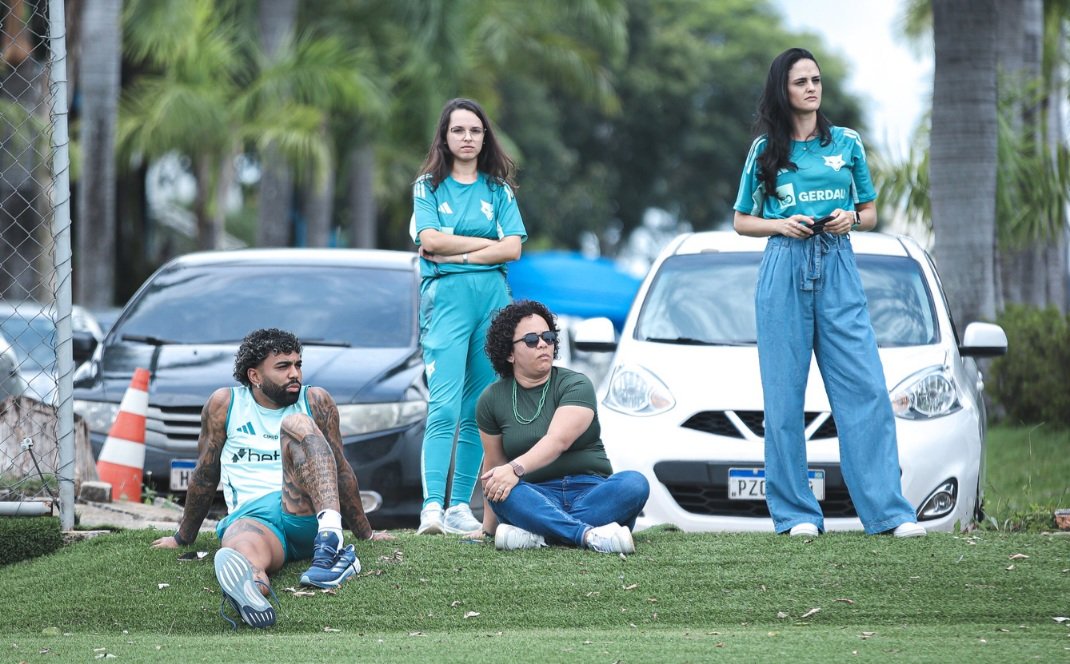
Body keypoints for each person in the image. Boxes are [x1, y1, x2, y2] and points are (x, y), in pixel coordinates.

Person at [732, 47, 925, 538]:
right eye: (801, 82)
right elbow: (741, 221)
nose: (812, 88)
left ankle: (888, 513)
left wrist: (851, 219)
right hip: (784, 266)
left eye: (816, 80)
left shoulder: (847, 142)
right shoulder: (765, 151)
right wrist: (780, 224)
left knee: (866, 391)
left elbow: (871, 213)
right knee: (783, 399)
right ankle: (796, 515)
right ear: (783, 90)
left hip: (838, 263)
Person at [151, 328, 392, 629]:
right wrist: (182, 537)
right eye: (283, 366)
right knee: (242, 554)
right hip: (253, 520)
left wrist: (366, 533)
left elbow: (339, 468)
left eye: (298, 365)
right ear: (254, 376)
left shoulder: (315, 400)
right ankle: (253, 591)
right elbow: (206, 472)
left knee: (296, 423)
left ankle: (330, 540)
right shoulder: (225, 404)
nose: (295, 374)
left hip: (303, 513)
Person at [409, 98, 527, 535]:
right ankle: (431, 509)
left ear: (485, 137)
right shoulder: (428, 186)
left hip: (492, 302)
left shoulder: (498, 190)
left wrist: (457, 250)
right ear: (445, 137)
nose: (467, 138)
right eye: (458, 130)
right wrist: (486, 246)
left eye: (475, 130)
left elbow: (513, 247)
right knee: (442, 404)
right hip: (446, 302)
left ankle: (460, 505)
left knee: (478, 408)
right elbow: (429, 241)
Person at [475, 300, 649, 553]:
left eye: (548, 337)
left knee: (634, 483)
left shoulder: (576, 384)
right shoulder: (491, 399)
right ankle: (590, 535)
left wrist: (514, 469)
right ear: (509, 353)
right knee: (500, 489)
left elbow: (558, 441)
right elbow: (494, 464)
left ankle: (539, 534)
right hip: (534, 495)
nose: (543, 344)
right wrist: (488, 529)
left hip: (592, 492)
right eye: (531, 340)